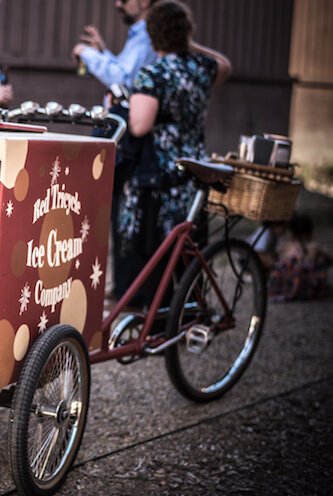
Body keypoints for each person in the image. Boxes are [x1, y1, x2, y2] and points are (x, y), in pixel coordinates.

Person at [117, 0, 232, 307]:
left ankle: (157, 319)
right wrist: (189, 44)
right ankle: (186, 314)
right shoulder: (202, 68)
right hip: (194, 172)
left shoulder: (152, 75)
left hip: (161, 176)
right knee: (187, 247)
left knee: (157, 252)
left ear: (153, 36)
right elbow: (225, 64)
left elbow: (140, 127)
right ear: (186, 32)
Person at [71, 0, 160, 306]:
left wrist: (90, 55)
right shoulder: (139, 35)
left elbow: (125, 80)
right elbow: (126, 72)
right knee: (121, 208)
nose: (117, 3)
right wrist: (105, 52)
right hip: (133, 137)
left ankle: (128, 291)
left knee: (127, 209)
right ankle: (123, 288)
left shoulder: (148, 34)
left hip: (140, 140)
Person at [72, 0, 159, 91]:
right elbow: (123, 69)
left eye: (124, 0)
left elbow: (124, 81)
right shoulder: (138, 33)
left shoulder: (146, 34)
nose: (118, 4)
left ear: (144, 2)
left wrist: (86, 53)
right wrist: (102, 53)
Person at [269, 213, 332, 302]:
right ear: (310, 232)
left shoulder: (287, 246)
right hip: (307, 286)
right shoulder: (314, 246)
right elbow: (329, 259)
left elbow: (277, 258)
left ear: (291, 233)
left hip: (287, 286)